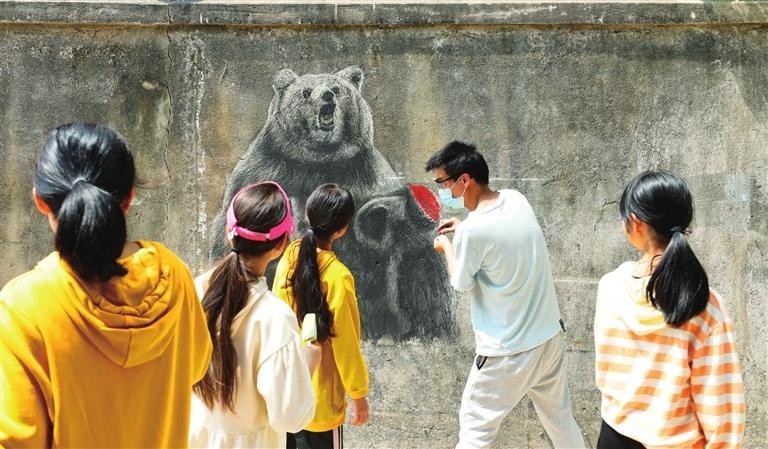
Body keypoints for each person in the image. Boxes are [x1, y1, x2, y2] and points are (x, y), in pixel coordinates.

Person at [0, 123, 212, 448]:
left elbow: (18, 440)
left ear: (40, 201)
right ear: (129, 198)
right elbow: (195, 366)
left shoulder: (23, 307)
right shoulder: (175, 276)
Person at [428, 141, 585, 449]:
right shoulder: (515, 200)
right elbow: (499, 241)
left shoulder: (474, 232)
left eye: (442, 183)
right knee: (561, 420)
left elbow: (461, 282)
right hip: (548, 338)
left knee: (474, 430)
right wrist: (464, 231)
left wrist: (446, 247)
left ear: (464, 180)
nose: (440, 191)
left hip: (506, 353)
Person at [595, 171, 745, 448]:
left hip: (613, 436)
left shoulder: (610, 288)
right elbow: (719, 403)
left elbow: (606, 374)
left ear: (636, 223)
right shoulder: (704, 305)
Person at [189, 181, 318, 449]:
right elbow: (290, 417)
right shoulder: (275, 318)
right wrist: (307, 365)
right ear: (282, 244)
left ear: (229, 233)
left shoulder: (193, 290)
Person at [273, 183, 370, 449]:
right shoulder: (338, 276)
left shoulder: (288, 257)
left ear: (307, 214)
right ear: (343, 229)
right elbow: (346, 344)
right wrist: (358, 394)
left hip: (286, 394)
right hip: (320, 402)